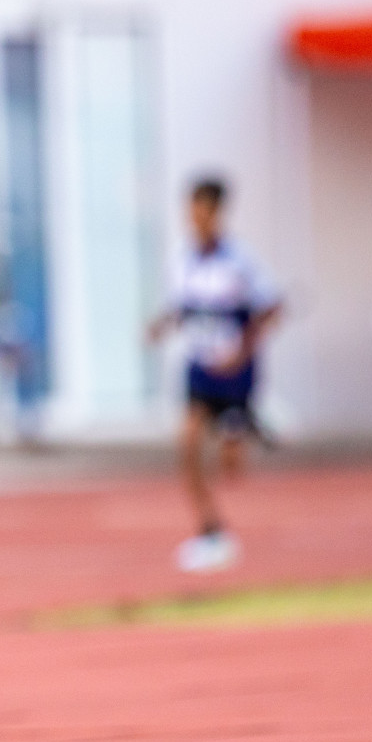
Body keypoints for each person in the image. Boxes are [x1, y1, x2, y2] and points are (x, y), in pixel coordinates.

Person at [149, 177, 281, 573]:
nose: (197, 219)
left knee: (231, 465)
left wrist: (242, 352)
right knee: (187, 443)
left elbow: (270, 307)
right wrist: (160, 326)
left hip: (235, 371)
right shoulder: (182, 260)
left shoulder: (241, 260)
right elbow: (180, 306)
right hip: (199, 368)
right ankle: (210, 527)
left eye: (204, 210)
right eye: (192, 210)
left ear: (218, 212)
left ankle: (245, 424)